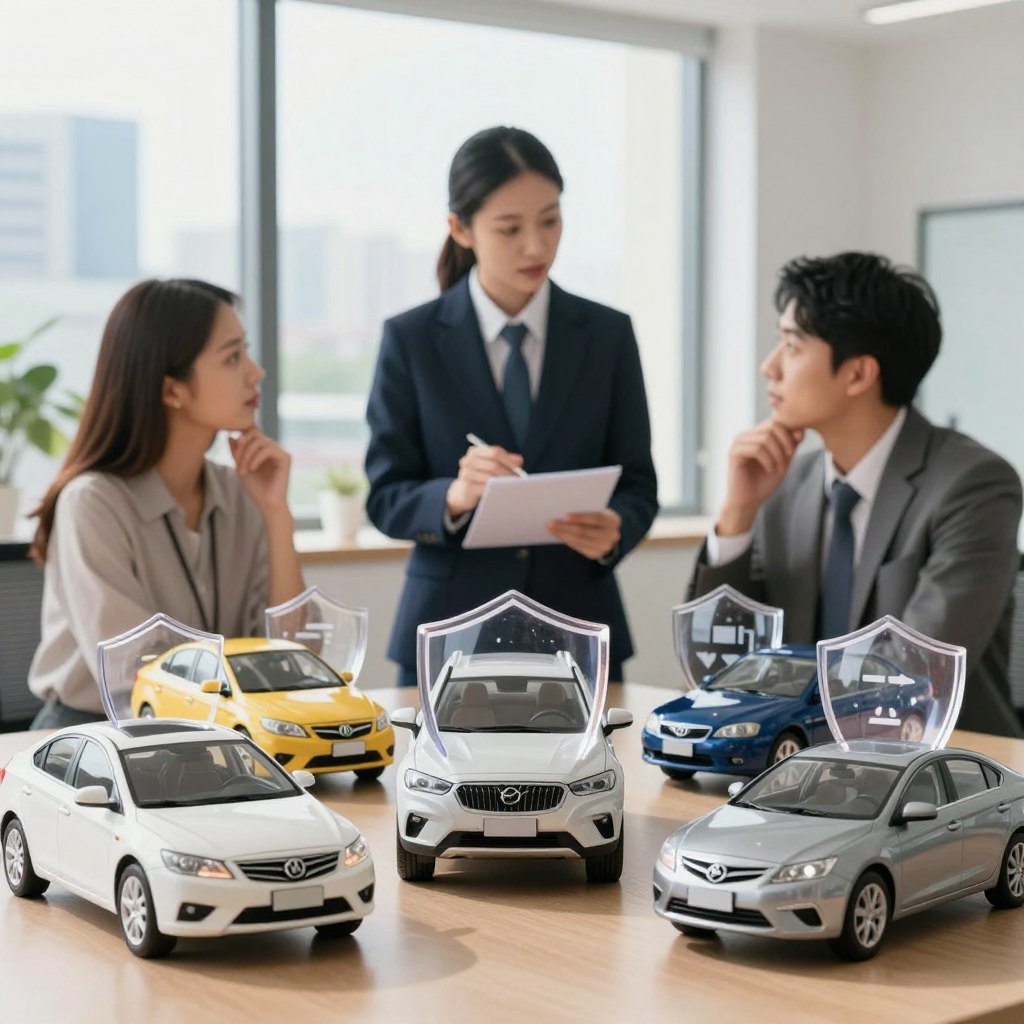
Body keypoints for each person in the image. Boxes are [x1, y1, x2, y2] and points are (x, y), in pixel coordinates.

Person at [365, 126, 658, 685]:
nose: (536, 245)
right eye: (510, 228)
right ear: (460, 229)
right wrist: (453, 495)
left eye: (550, 220)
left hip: (579, 628)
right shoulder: (412, 338)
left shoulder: (607, 335)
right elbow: (385, 495)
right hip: (449, 633)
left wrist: (615, 527)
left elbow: (639, 483)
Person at [689, 251, 1023, 736]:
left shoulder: (973, 486)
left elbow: (916, 672)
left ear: (858, 374)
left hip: (938, 770)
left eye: (792, 345)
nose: (770, 366)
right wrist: (737, 514)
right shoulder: (785, 484)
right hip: (795, 764)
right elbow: (717, 662)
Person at [27, 278, 305, 728]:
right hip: (95, 740)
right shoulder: (92, 503)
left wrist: (276, 514)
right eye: (233, 357)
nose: (256, 372)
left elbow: (289, 656)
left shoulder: (240, 492)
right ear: (172, 389)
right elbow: (134, 671)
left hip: (213, 734)